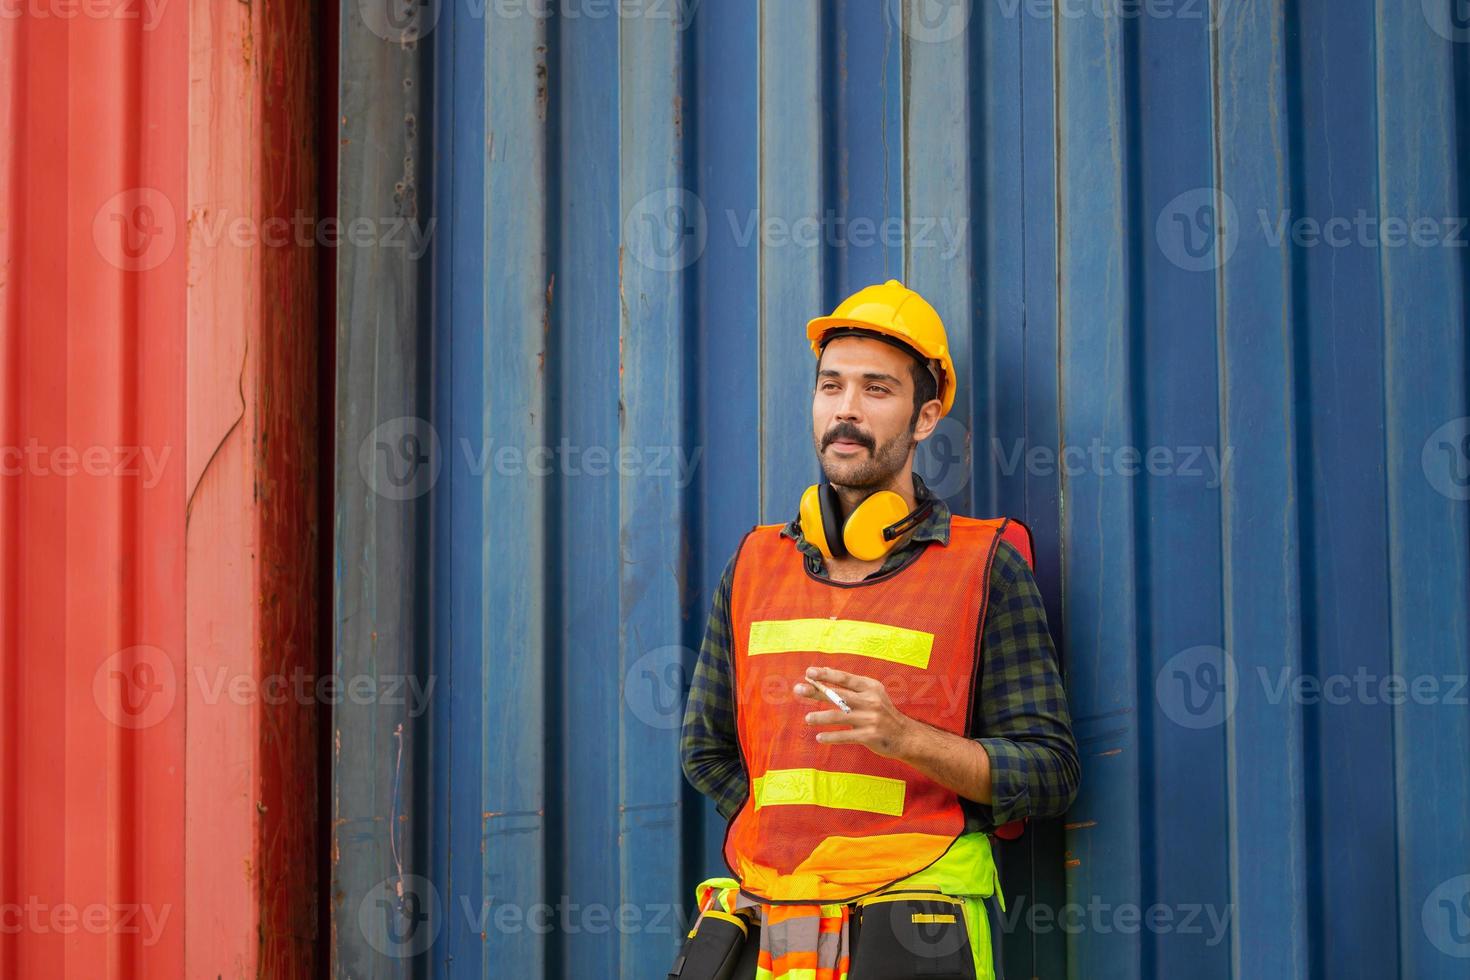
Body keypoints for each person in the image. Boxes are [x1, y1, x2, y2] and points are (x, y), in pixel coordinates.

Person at [670, 280, 1079, 980]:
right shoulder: (753, 564)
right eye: (831, 386)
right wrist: (788, 834)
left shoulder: (985, 567)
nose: (847, 410)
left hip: (911, 934)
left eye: (876, 390)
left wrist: (907, 740)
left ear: (924, 419)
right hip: (772, 928)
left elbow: (1049, 772)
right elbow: (705, 750)